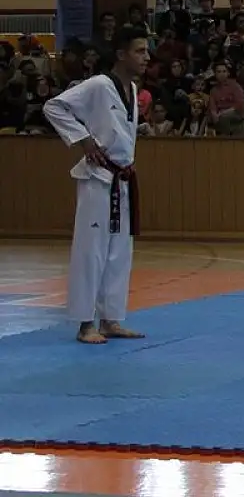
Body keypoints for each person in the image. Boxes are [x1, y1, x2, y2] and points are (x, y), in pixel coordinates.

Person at [42, 26, 150, 345]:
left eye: (146, 51)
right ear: (121, 54)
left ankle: (111, 319)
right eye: (140, 51)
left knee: (119, 252)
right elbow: (54, 106)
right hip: (97, 179)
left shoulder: (132, 88)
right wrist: (84, 139)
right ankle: (85, 323)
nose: (146, 57)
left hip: (122, 178)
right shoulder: (99, 85)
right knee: (91, 252)